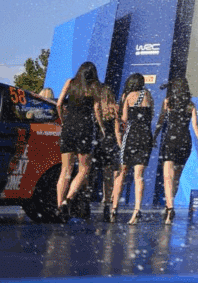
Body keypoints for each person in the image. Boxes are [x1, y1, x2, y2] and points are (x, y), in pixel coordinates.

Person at [55, 61, 105, 220]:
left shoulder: (70, 83)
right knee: (84, 169)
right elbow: (97, 109)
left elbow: (59, 104)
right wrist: (102, 127)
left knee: (65, 170)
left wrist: (63, 121)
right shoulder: (94, 87)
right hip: (85, 128)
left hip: (68, 127)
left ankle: (59, 206)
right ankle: (68, 199)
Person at [154, 78, 198, 224]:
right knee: (176, 178)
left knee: (167, 177)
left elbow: (161, 121)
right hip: (184, 141)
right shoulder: (190, 105)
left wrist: (155, 136)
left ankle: (170, 208)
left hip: (171, 139)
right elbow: (195, 125)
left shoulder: (168, 102)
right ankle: (169, 206)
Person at [111, 73, 154, 225]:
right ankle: (137, 210)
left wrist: (116, 116)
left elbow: (124, 119)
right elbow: (151, 115)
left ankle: (114, 208)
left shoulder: (128, 96)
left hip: (132, 136)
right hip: (145, 136)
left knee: (121, 173)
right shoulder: (148, 95)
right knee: (139, 176)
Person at [93, 84, 120, 222]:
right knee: (109, 174)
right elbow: (117, 129)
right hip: (110, 142)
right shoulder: (114, 108)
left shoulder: (97, 108)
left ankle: (89, 199)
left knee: (94, 172)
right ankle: (107, 199)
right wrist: (120, 145)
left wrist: (101, 128)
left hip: (98, 141)